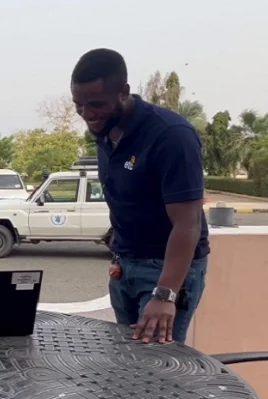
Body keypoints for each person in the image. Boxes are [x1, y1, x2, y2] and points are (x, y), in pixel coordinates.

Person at [70, 49, 210, 345]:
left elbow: (188, 225)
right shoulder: (106, 132)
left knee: (157, 367)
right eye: (79, 105)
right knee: (128, 362)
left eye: (96, 104)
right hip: (125, 266)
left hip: (164, 271)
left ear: (123, 92)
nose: (87, 115)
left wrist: (166, 293)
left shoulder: (171, 135)